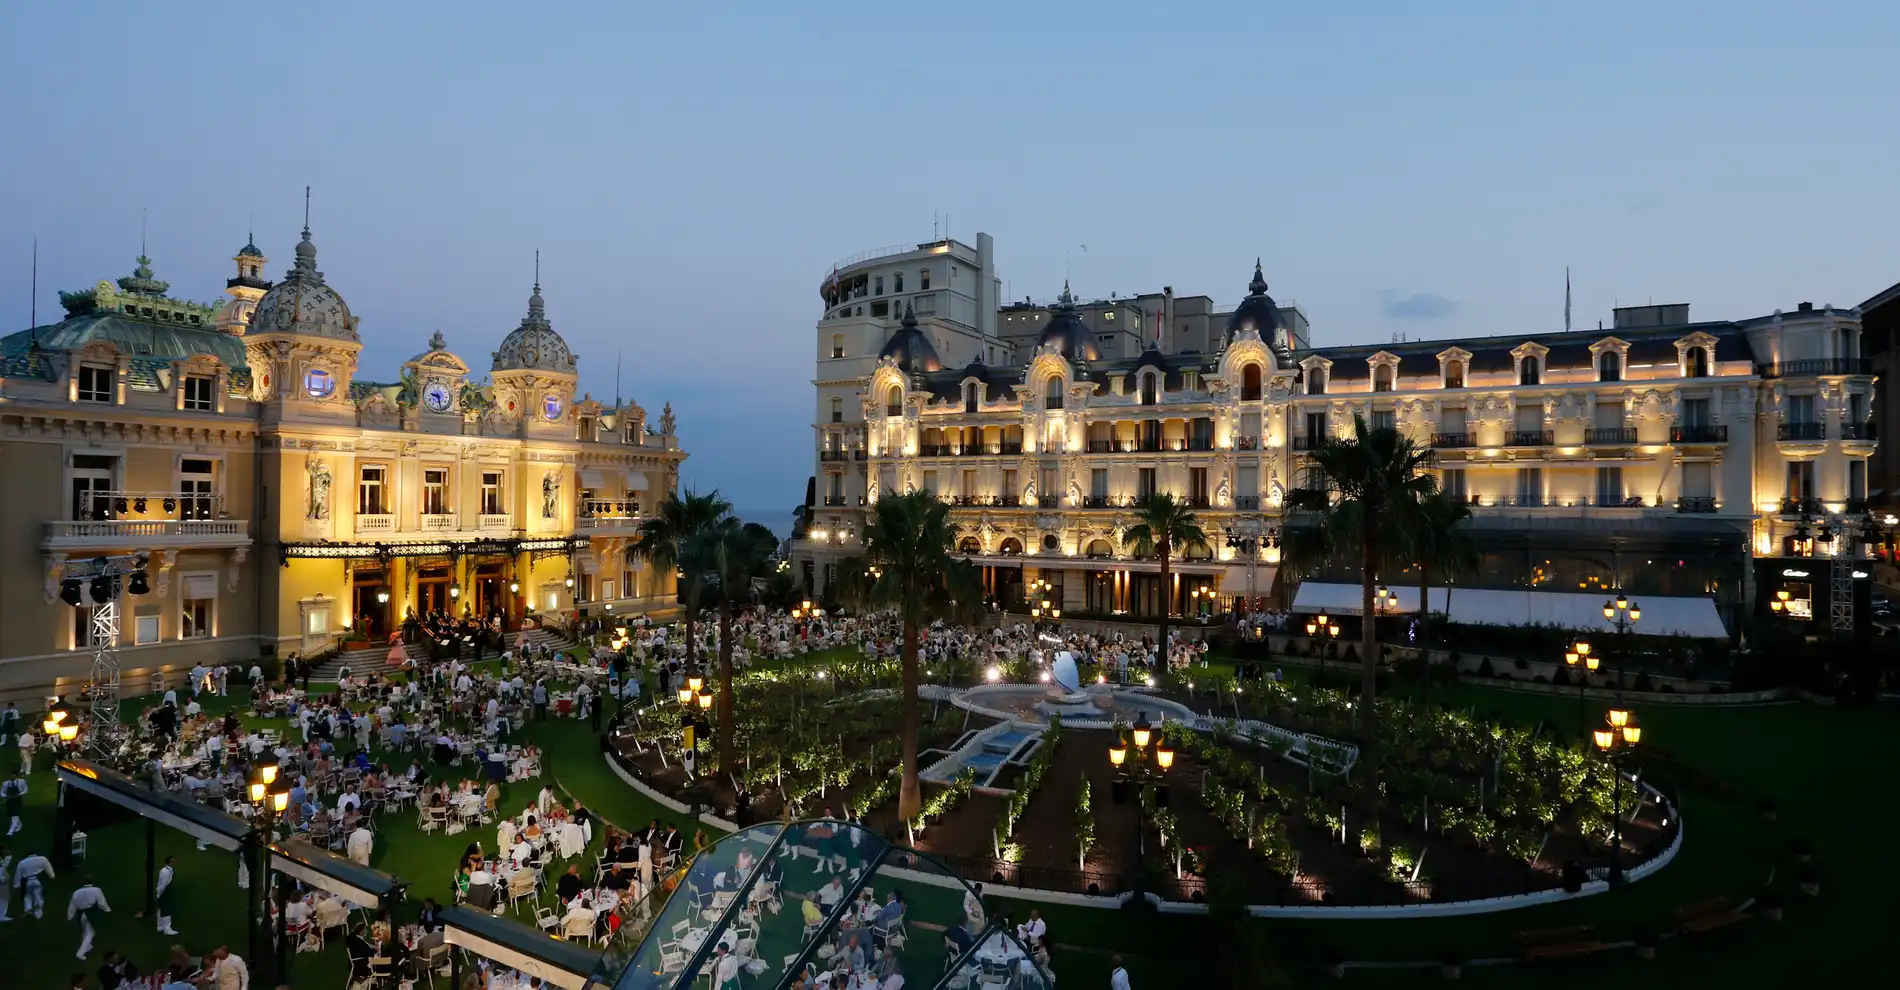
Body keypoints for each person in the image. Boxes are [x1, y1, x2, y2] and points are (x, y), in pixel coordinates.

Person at [66, 875, 111, 959]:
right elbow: (101, 902)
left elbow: (72, 905)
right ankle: (80, 953)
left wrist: (70, 916)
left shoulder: (77, 892)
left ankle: (88, 946)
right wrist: (107, 909)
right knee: (90, 933)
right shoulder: (96, 890)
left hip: (81, 914)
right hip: (90, 914)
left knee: (85, 931)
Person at [16, 848, 55, 918]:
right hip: (38, 880)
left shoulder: (22, 863)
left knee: (28, 895)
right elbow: (48, 868)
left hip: (27, 881)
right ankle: (38, 913)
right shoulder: (42, 859)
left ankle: (28, 910)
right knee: (38, 895)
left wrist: (17, 884)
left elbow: (18, 875)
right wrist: (52, 876)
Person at [155, 854, 180, 935]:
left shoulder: (166, 870)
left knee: (161, 910)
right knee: (166, 910)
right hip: (165, 893)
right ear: (168, 863)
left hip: (164, 893)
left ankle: (160, 926)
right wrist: (160, 894)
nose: (174, 862)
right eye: (172, 861)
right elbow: (162, 885)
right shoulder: (166, 872)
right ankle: (167, 929)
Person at [2, 772, 26, 836]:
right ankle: (19, 824)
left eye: (14, 776)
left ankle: (10, 832)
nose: (12, 778)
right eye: (11, 776)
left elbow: (25, 789)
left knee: (15, 815)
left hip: (17, 801)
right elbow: (1, 792)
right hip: (9, 801)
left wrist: (18, 795)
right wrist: (5, 796)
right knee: (10, 815)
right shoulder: (6, 783)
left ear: (16, 776)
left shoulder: (21, 782)